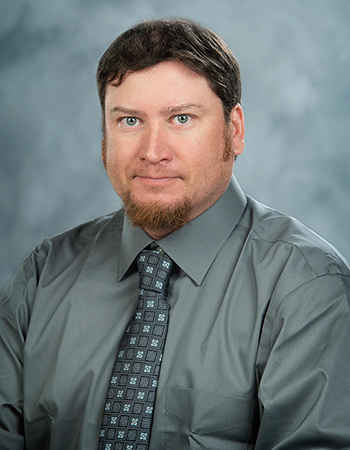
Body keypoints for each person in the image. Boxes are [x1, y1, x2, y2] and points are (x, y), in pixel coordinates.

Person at [0, 18, 349, 450]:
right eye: (129, 121)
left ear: (234, 131)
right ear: (105, 134)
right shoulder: (42, 276)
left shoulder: (307, 288)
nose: (152, 151)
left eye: (181, 118)